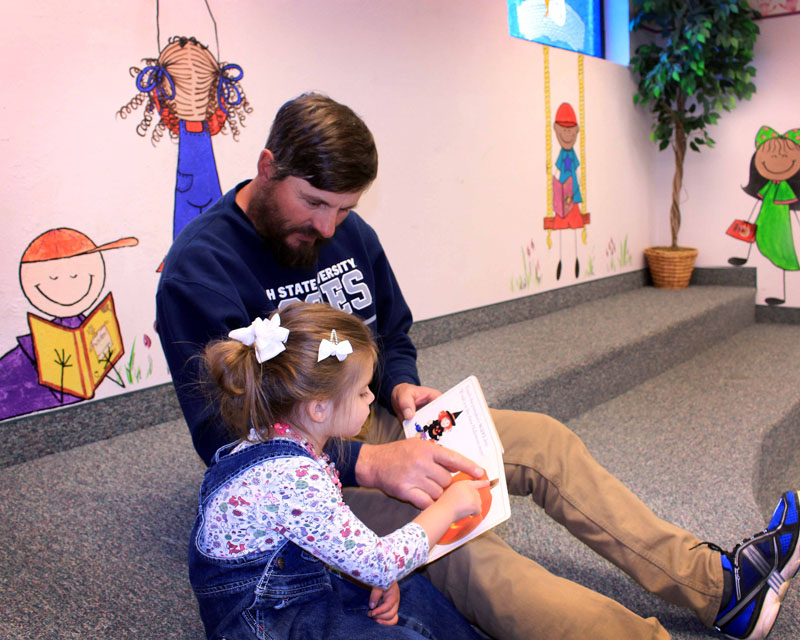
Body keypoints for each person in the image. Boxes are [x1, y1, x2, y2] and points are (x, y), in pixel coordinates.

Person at [156, 92, 800, 640]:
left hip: (373, 416)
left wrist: (401, 385)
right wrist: (368, 463)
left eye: (345, 208)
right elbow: (224, 434)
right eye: (315, 203)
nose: (329, 227)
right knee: (469, 551)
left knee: (545, 440)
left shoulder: (350, 235)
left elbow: (393, 330)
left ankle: (720, 588)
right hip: (302, 467)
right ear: (268, 167)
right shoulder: (200, 268)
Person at [190, 301, 485, 639]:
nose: (372, 399)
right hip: (265, 621)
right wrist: (450, 507)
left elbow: (332, 539)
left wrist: (371, 575)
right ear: (318, 408)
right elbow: (380, 563)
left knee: (414, 594)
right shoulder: (293, 478)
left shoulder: (280, 440)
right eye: (362, 392)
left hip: (294, 586)